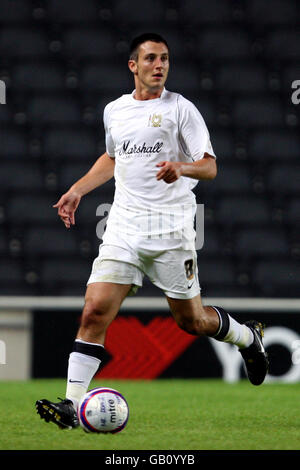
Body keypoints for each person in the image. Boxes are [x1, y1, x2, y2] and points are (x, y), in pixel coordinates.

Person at [36, 33, 269, 429]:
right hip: (123, 227)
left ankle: (248, 338)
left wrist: (183, 167)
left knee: (190, 321)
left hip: (171, 230)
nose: (159, 65)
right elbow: (113, 156)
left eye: (164, 59)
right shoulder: (115, 110)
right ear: (134, 66)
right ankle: (72, 407)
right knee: (94, 312)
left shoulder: (181, 109)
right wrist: (77, 189)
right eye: (150, 59)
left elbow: (209, 166)